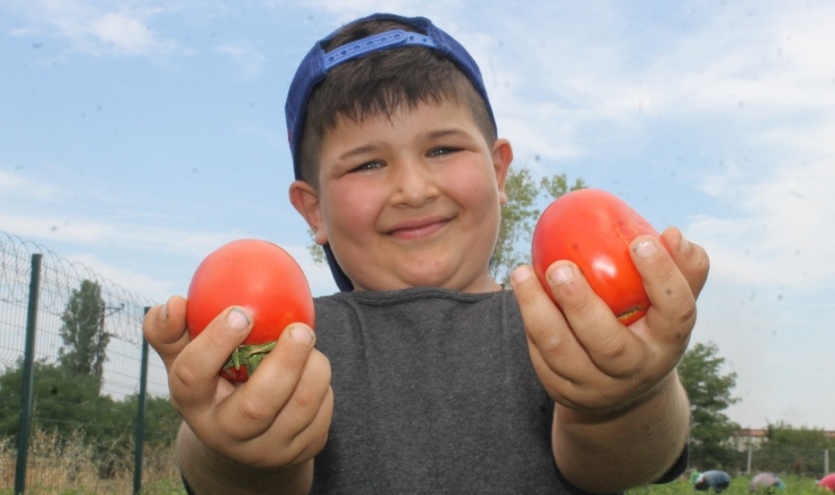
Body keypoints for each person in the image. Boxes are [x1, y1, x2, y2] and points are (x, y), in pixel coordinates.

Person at [143, 12, 710, 494]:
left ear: (496, 170)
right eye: (367, 164)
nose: (414, 189)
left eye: (442, 148)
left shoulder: (565, 324)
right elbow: (232, 481)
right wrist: (236, 446)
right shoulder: (289, 340)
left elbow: (622, 463)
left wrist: (625, 397)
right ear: (314, 210)